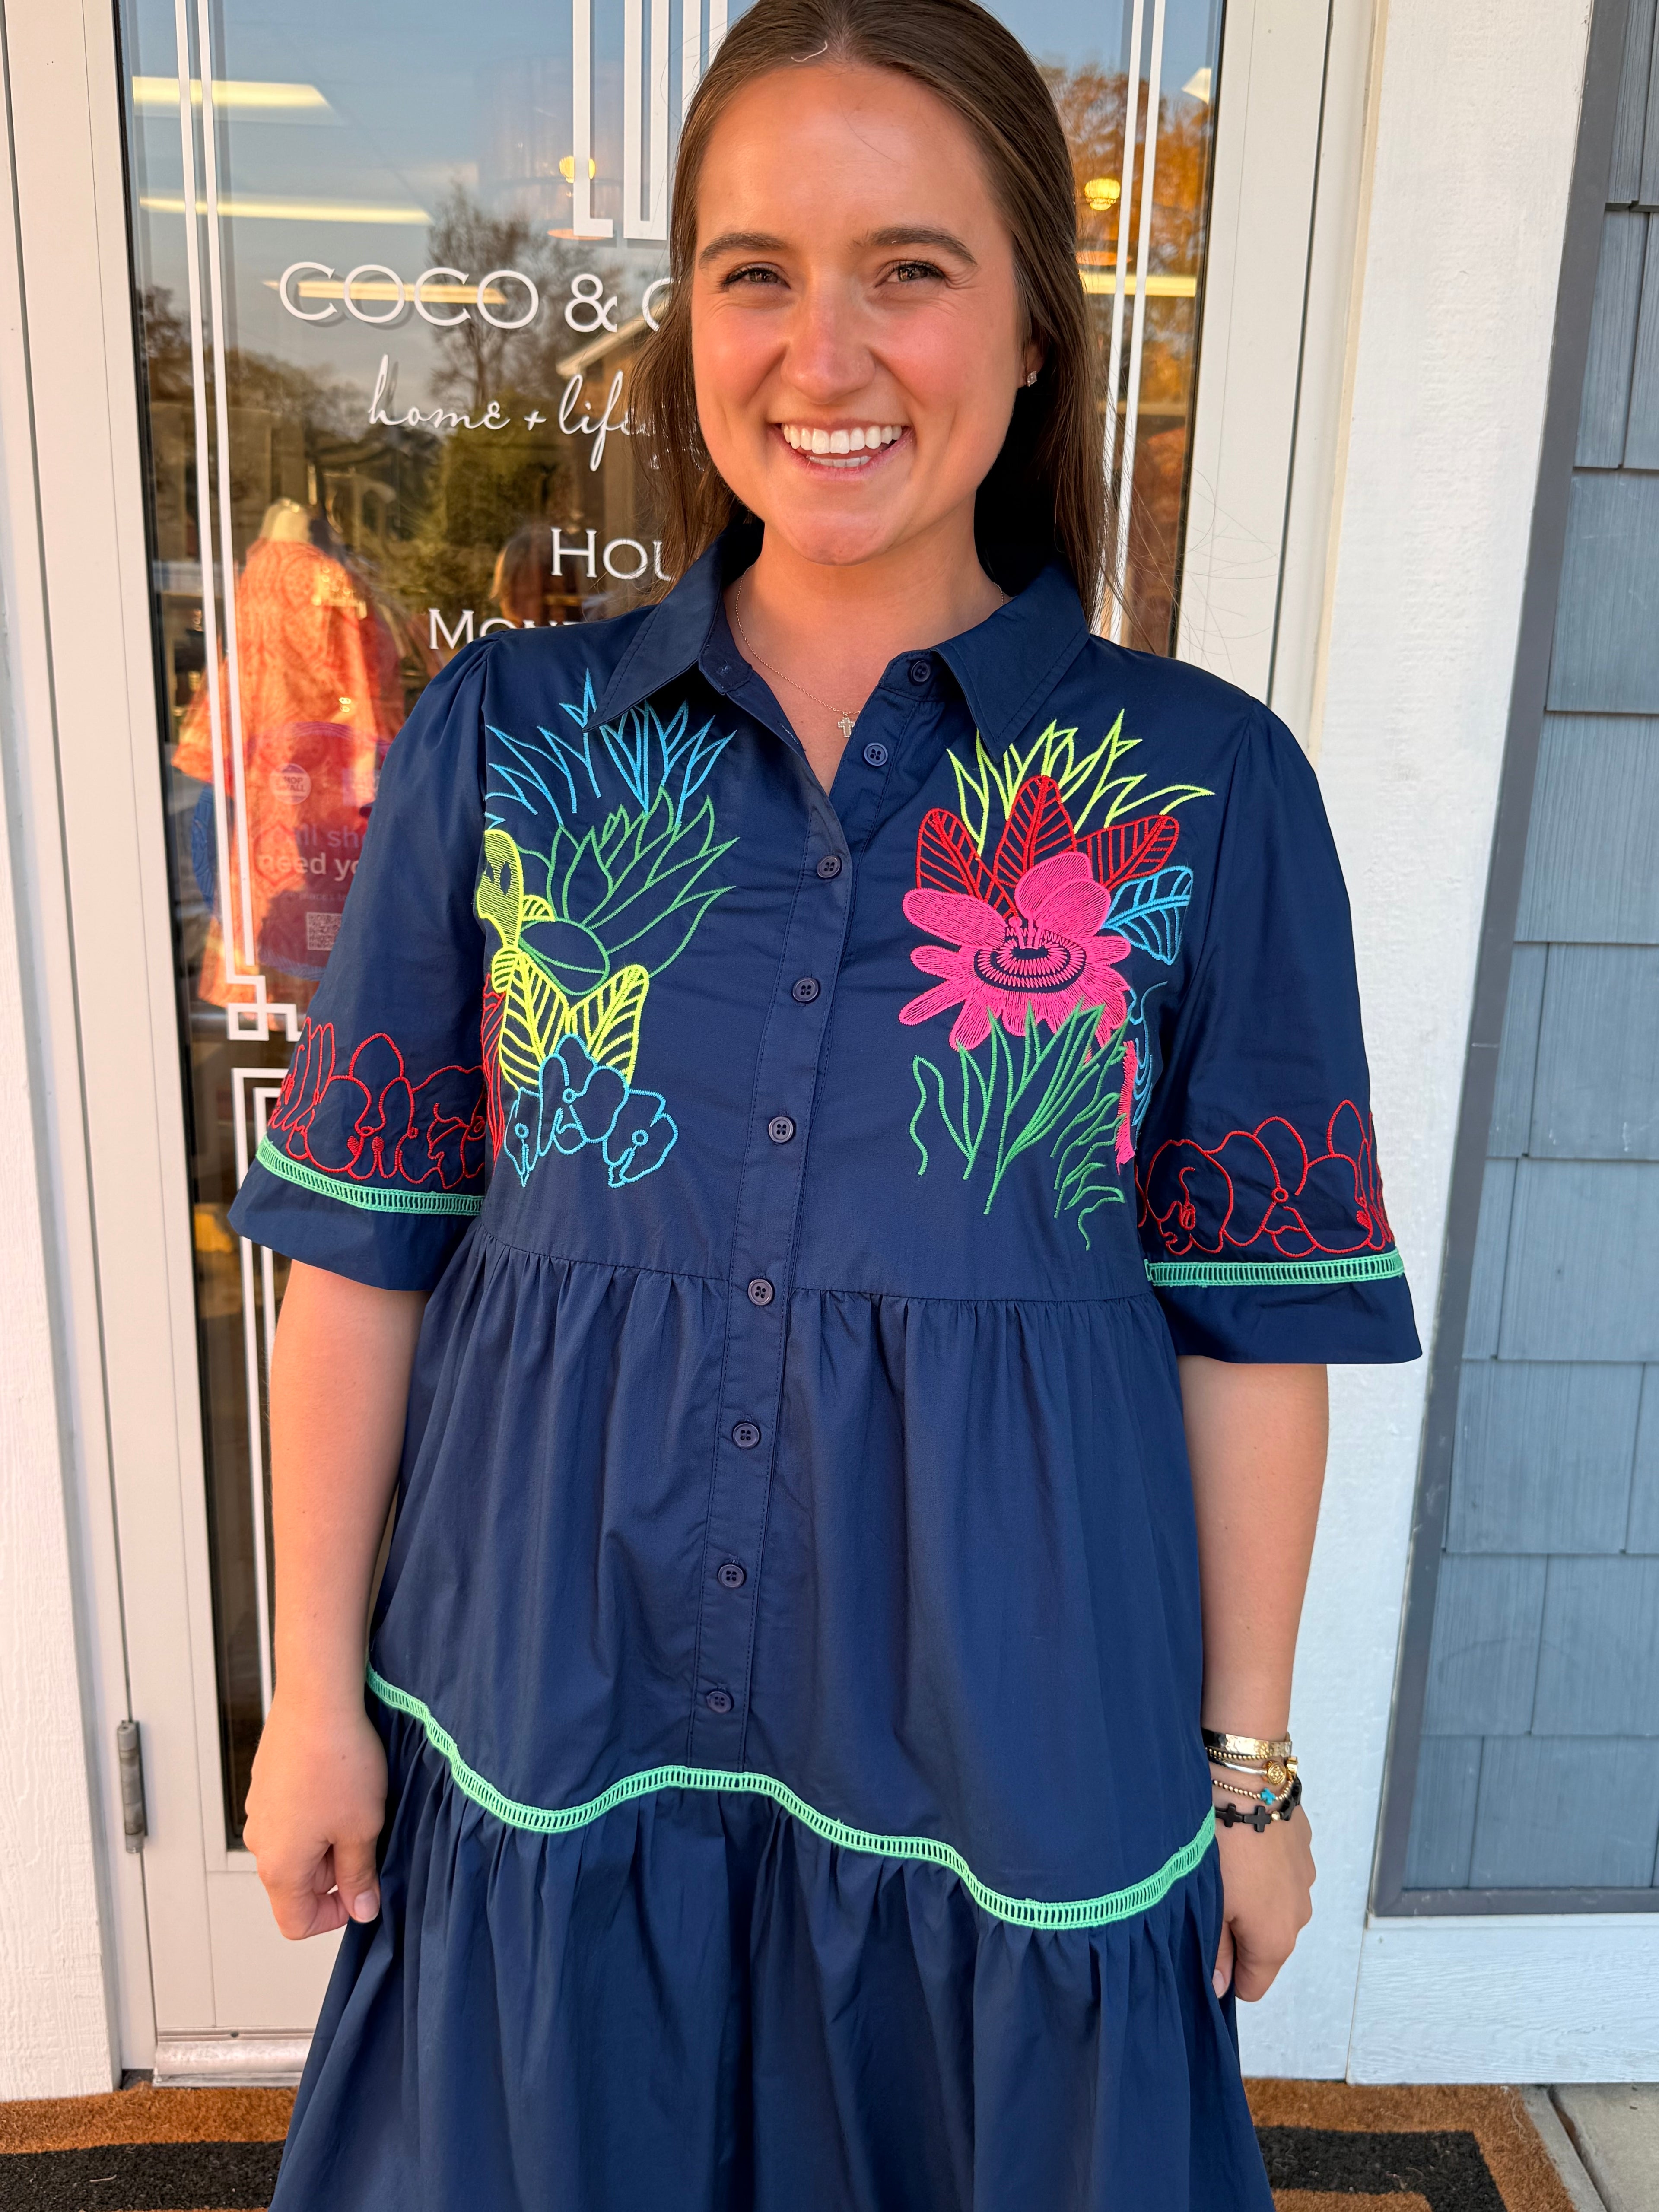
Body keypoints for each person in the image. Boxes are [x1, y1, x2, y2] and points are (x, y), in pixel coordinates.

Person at [234, 0, 1419, 2203]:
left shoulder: (1204, 787)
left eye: (911, 269)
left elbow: (1259, 1325)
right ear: (687, 320)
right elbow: (363, 1256)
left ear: (1037, 328)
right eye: (756, 273)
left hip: (1011, 1741)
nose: (825, 352)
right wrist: (314, 1695)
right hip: (557, 1706)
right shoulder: (512, 740)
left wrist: (1250, 1770)